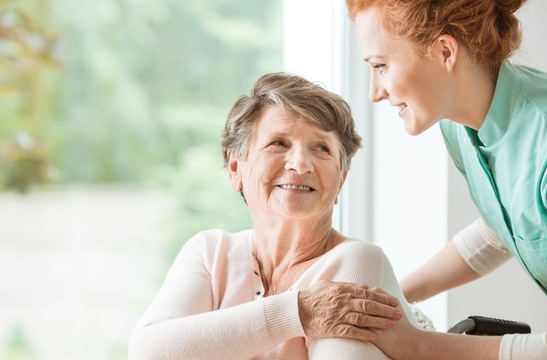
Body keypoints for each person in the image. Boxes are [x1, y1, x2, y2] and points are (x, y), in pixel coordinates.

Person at [343, 0, 547, 359]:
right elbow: (504, 227)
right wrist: (392, 300)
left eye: (381, 66)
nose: (375, 92)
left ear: (445, 51)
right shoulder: (459, 125)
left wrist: (414, 344)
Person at [128, 72, 422, 359]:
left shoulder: (356, 260)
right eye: (278, 143)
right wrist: (299, 312)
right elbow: (147, 351)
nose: (300, 164)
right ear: (235, 169)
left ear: (341, 180)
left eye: (321, 148)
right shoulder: (210, 253)